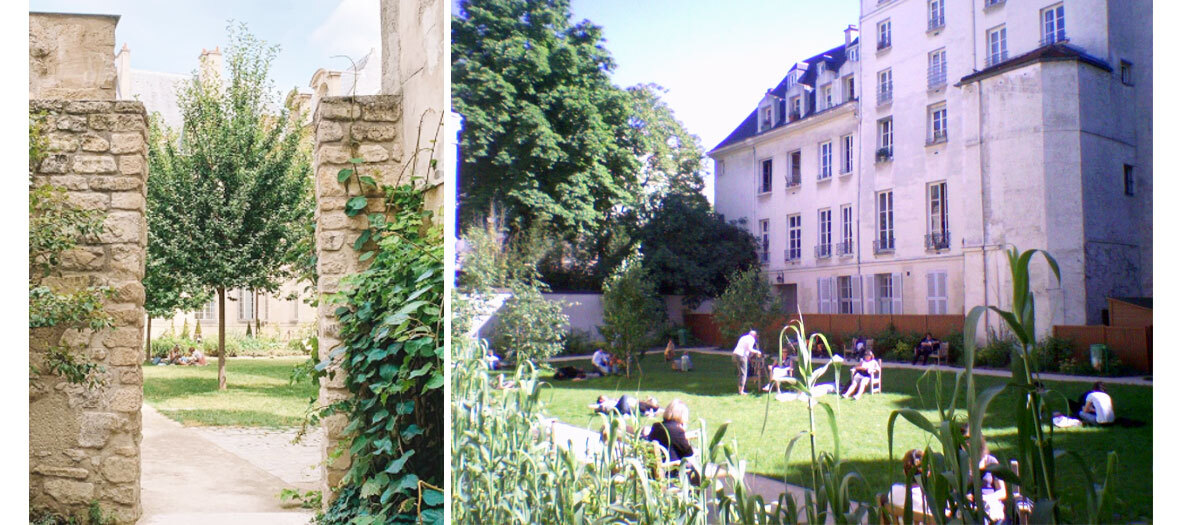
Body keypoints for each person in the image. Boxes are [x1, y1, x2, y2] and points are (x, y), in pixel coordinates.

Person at [645, 399, 700, 485]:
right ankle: (695, 492)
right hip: (671, 470)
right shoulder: (677, 431)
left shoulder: (656, 426)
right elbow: (688, 453)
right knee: (696, 463)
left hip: (655, 469)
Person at [732, 329, 761, 395]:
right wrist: (757, 352)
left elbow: (744, 348)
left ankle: (741, 387)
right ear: (755, 335)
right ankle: (741, 391)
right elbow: (749, 349)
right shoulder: (752, 339)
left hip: (735, 355)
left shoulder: (743, 337)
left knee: (740, 373)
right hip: (741, 356)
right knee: (743, 373)